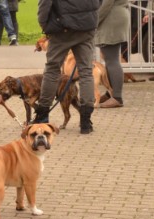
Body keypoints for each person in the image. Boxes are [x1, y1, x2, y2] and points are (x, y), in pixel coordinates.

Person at [36, 0, 102, 134]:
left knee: (52, 70)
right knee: (86, 71)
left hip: (62, 28)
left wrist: (44, 24)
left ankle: (42, 116)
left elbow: (45, 3)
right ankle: (86, 121)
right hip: (86, 27)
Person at [95, 0, 129, 108]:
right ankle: (111, 93)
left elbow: (106, 4)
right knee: (109, 59)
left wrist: (94, 21)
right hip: (113, 17)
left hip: (111, 19)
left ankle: (117, 98)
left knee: (112, 60)